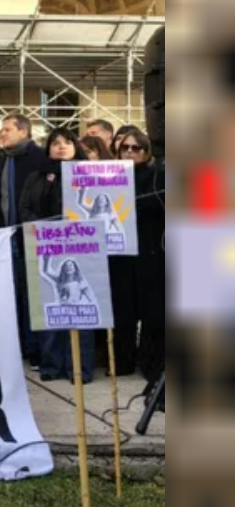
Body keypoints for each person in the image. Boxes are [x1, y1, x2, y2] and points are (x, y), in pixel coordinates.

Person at [20, 128, 94, 384]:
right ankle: (51, 365)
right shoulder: (36, 176)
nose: (61, 147)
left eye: (67, 142)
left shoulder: (89, 174)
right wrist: (47, 228)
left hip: (81, 246)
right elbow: (24, 208)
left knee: (79, 312)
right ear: (48, 148)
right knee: (50, 306)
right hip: (45, 243)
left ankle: (80, 368)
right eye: (55, 143)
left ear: (76, 146)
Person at [0, 113, 48, 368]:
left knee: (31, 295)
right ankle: (16, 347)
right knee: (8, 294)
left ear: (24, 132)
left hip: (31, 235)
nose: (3, 134)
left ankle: (34, 350)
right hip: (3, 236)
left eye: (7, 130)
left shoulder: (39, 158)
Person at [110, 128, 165, 387]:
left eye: (136, 148)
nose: (130, 152)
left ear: (146, 151)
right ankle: (123, 361)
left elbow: (160, 204)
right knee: (122, 308)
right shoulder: (109, 175)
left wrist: (130, 205)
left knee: (152, 310)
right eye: (125, 148)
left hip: (149, 250)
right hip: (119, 252)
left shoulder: (157, 175)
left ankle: (149, 361)